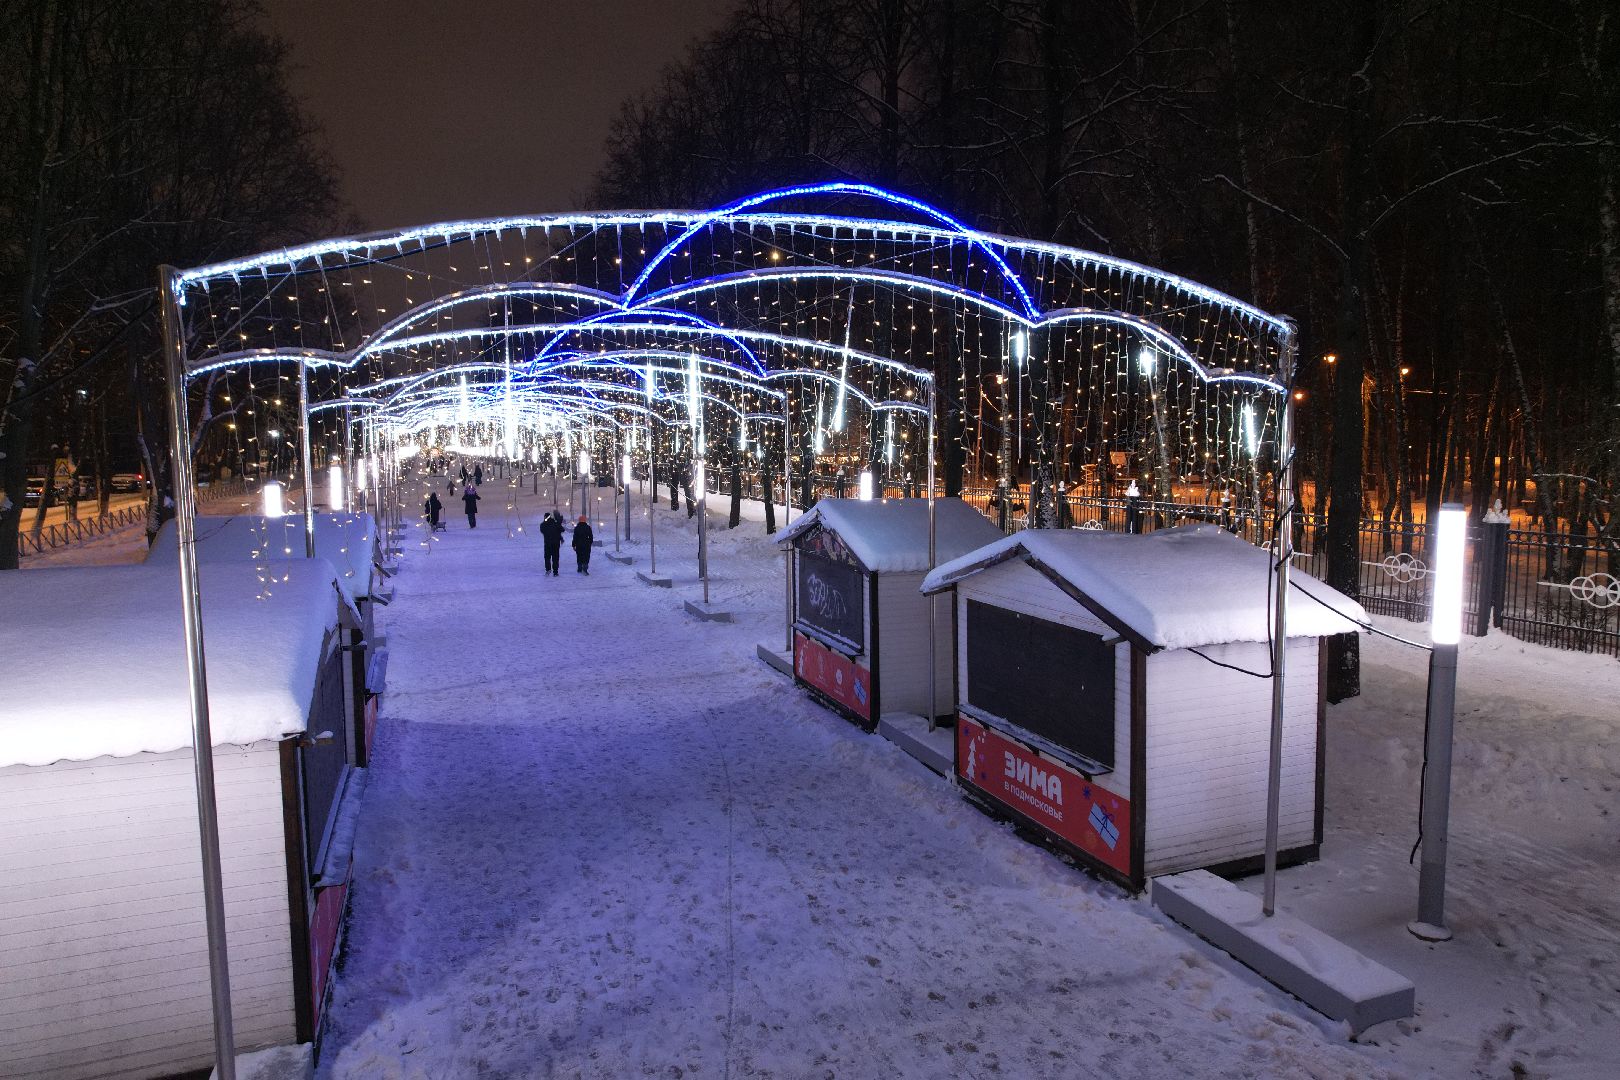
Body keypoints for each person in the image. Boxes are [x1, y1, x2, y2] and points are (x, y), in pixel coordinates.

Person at [539, 510, 564, 575]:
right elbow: (562, 530)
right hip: (556, 544)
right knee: (555, 557)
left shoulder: (543, 525)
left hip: (547, 543)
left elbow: (542, 530)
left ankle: (548, 569)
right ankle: (555, 571)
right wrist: (558, 522)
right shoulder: (555, 524)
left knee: (547, 557)